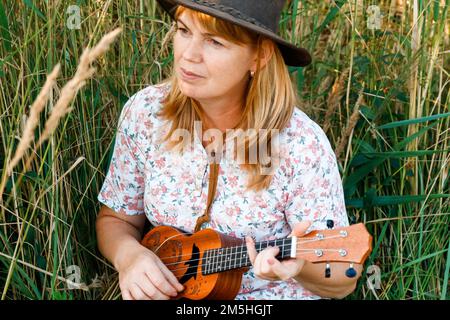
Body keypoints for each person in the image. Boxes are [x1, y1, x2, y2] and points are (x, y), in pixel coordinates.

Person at [96, 0, 362, 300]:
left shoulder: (301, 145)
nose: (189, 54)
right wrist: (129, 257)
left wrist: (298, 267)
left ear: (259, 56)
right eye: (184, 31)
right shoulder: (146, 113)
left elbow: (343, 278)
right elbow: (117, 219)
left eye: (214, 41)